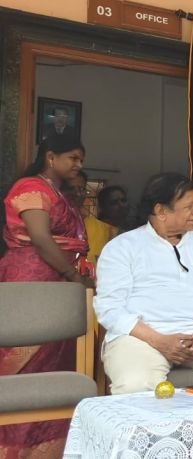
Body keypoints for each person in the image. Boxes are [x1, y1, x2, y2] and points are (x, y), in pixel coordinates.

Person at [94, 172, 193, 394]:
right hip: (140, 339)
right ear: (161, 211)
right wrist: (160, 341)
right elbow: (110, 308)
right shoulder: (122, 247)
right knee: (135, 384)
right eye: (189, 207)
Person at [0, 136, 90, 457]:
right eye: (73, 158)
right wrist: (72, 275)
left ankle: (46, 448)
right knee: (26, 361)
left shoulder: (59, 192)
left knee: (54, 363)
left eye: (81, 159)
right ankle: (13, 446)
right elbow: (40, 238)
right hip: (32, 279)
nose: (79, 165)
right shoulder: (30, 187)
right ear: (51, 157)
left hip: (57, 281)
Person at [83, 185, 129, 265]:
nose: (121, 205)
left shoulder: (130, 233)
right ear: (102, 207)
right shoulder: (89, 226)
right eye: (114, 203)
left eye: (123, 200)